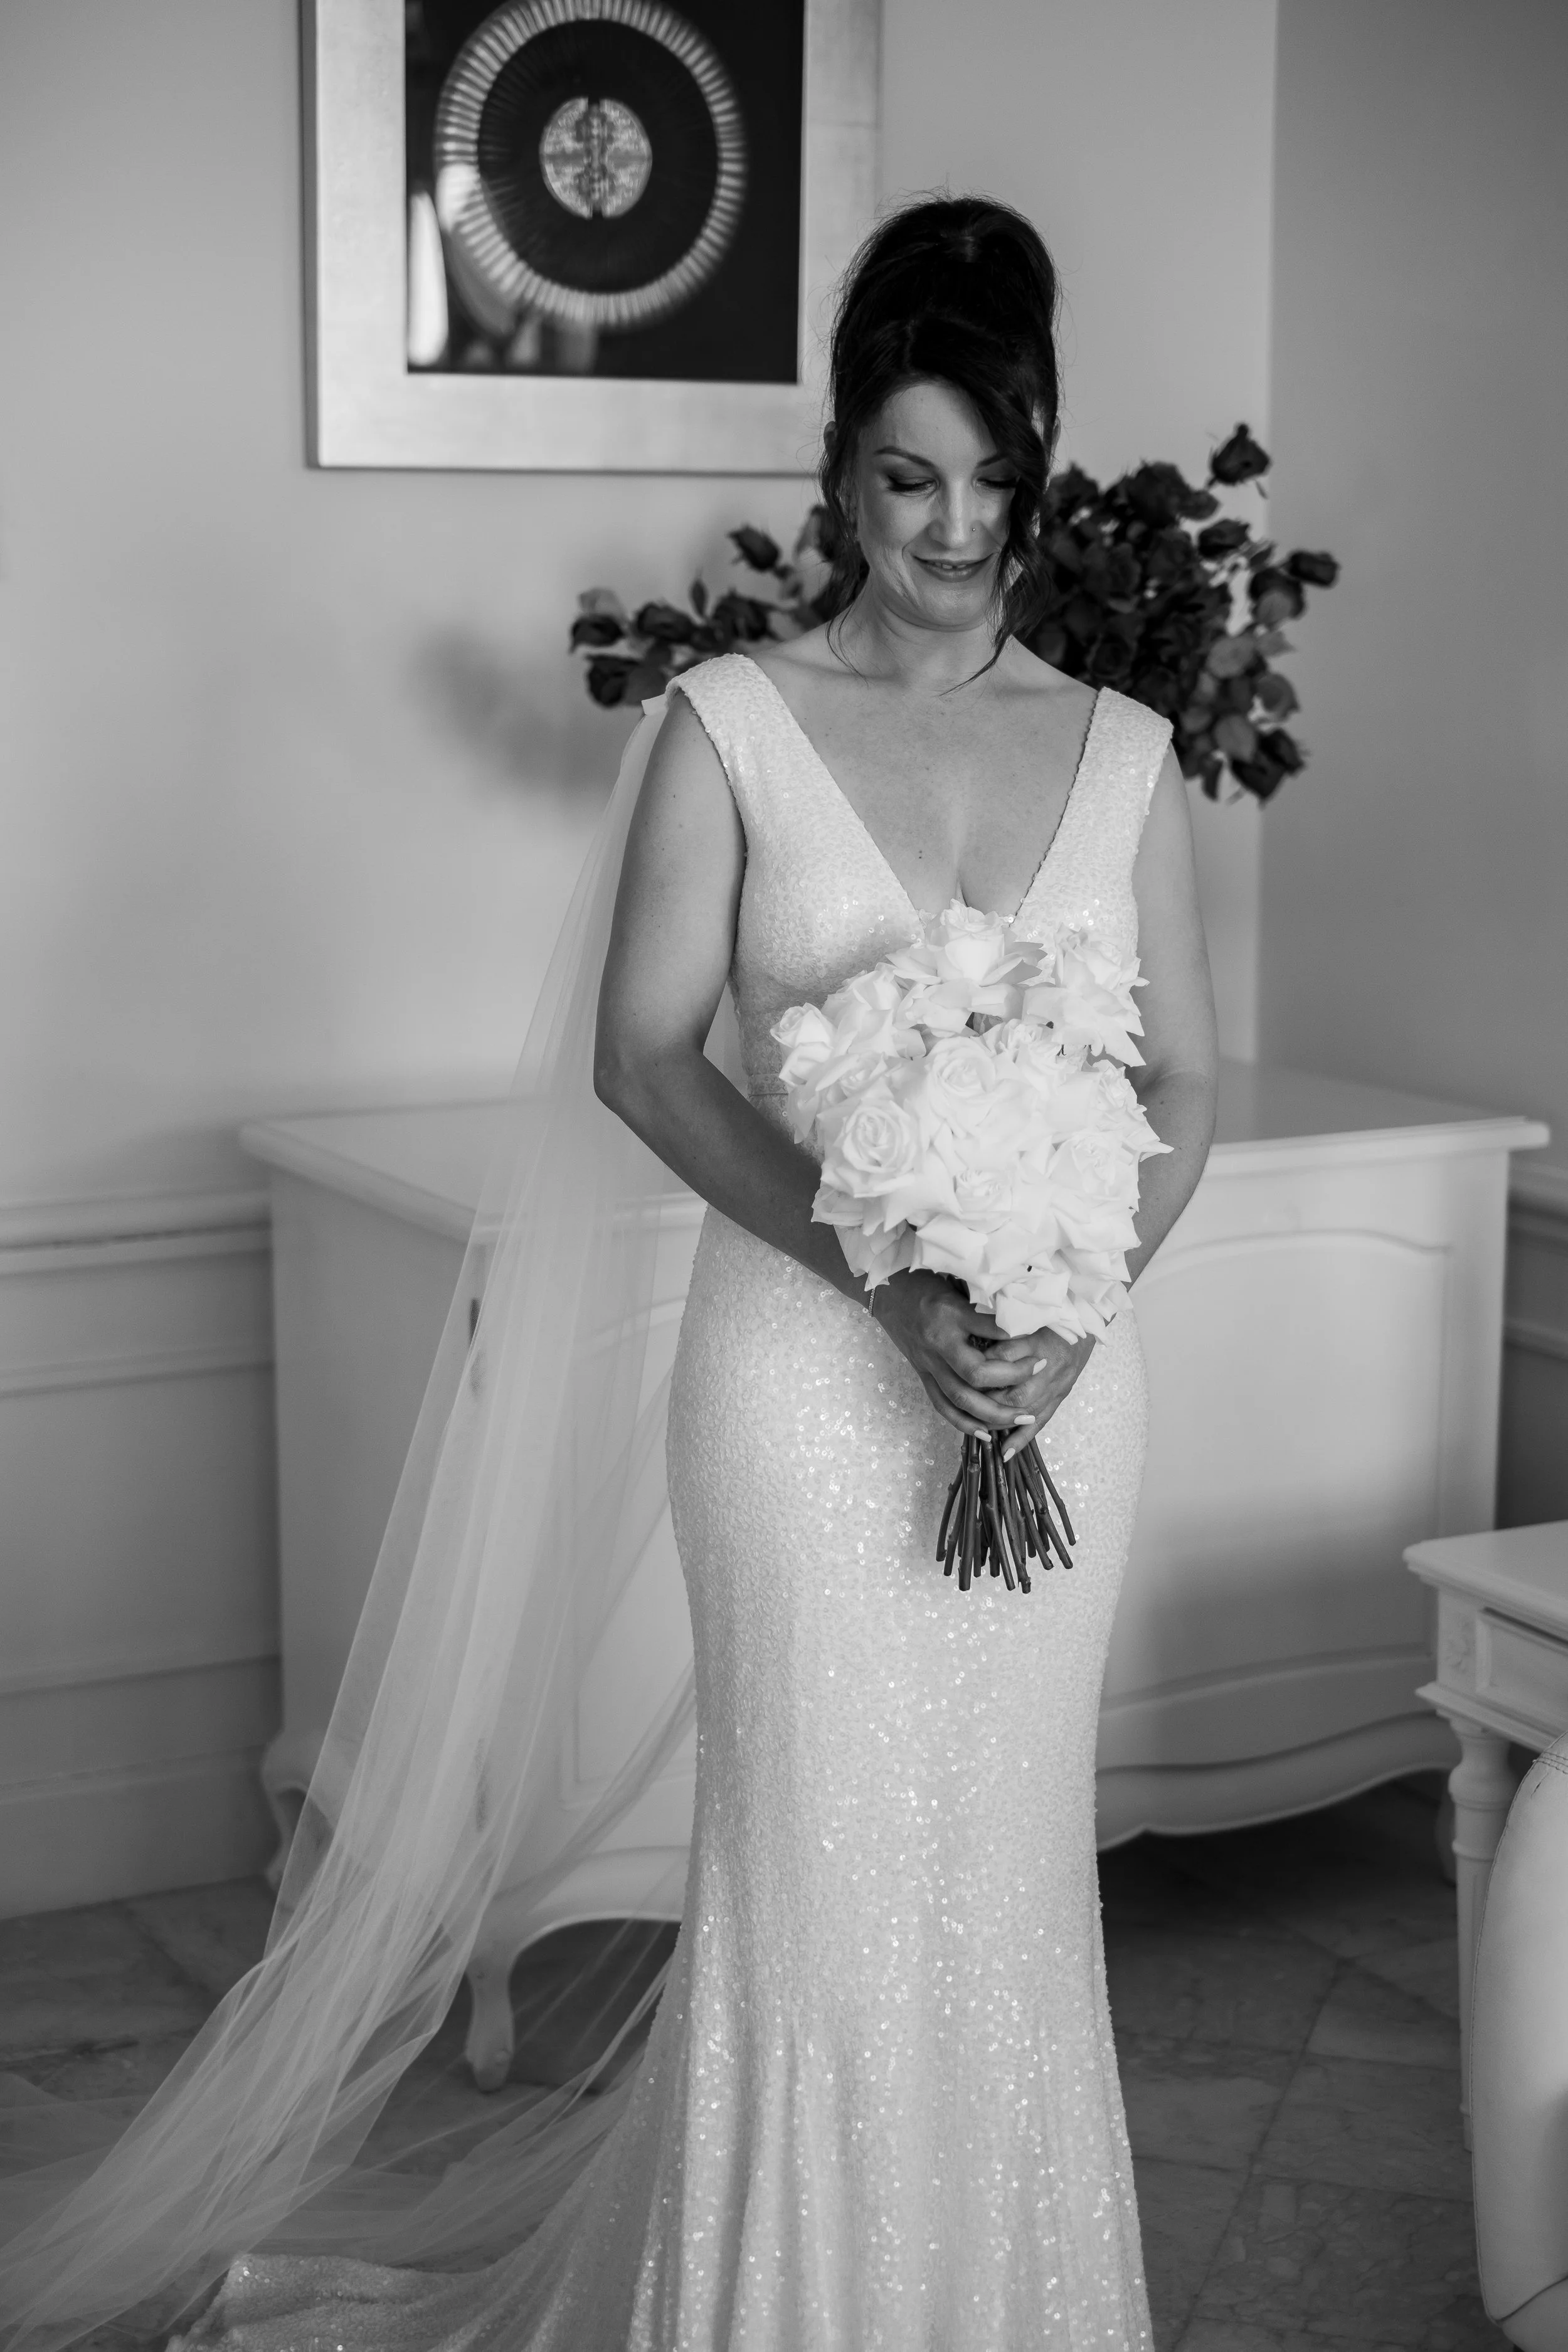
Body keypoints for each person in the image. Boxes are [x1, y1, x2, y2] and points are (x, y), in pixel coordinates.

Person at [0, 196, 1217, 2351]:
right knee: (815, 1882)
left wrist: (1070, 1298)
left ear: (1040, 465)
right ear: (838, 470)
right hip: (803, 1386)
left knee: (1009, 1873)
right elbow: (644, 1056)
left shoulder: (1124, 750)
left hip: (1052, 1390)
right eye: (905, 477)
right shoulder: (732, 720)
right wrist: (880, 1276)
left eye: (989, 478)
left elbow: (1182, 1081)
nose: (950, 530)